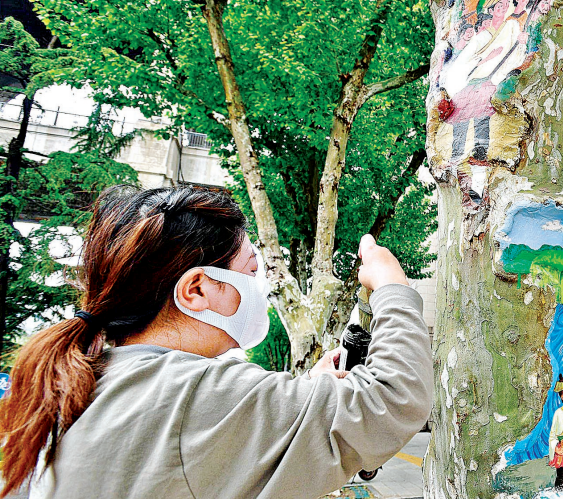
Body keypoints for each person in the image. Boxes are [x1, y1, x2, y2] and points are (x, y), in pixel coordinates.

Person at [0, 185, 434, 499]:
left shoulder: (96, 378)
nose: (259, 288)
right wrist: (391, 286)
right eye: (249, 271)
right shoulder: (188, 391)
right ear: (196, 290)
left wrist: (304, 394)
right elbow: (392, 401)